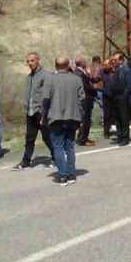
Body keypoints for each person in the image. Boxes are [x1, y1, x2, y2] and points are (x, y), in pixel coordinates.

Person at [42, 56, 85, 186]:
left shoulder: (49, 79)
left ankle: (62, 175)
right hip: (72, 116)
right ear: (68, 66)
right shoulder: (77, 79)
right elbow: (82, 99)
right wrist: (81, 116)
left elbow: (45, 99)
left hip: (56, 117)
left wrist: (44, 116)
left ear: (55, 66)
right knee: (70, 146)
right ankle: (71, 174)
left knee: (58, 147)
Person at [13, 52, 54, 170]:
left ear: (38, 60)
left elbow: (47, 95)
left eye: (32, 60)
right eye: (28, 61)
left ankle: (57, 157)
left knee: (47, 137)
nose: (30, 63)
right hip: (30, 112)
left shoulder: (46, 75)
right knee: (29, 138)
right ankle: (25, 161)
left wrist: (44, 113)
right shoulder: (29, 77)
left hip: (41, 113)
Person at [106, 53, 131, 146]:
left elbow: (130, 84)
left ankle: (125, 138)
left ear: (121, 60)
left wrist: (124, 95)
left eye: (115, 60)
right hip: (115, 97)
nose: (113, 62)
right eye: (113, 60)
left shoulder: (126, 70)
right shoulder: (116, 70)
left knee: (124, 118)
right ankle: (119, 136)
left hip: (123, 97)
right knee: (117, 118)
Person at [74, 57, 97, 147]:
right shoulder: (79, 73)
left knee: (86, 119)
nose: (86, 62)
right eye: (85, 61)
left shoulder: (82, 71)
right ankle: (82, 139)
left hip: (87, 98)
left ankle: (83, 137)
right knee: (85, 119)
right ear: (81, 63)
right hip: (85, 99)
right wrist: (95, 89)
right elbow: (85, 86)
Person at [100, 60, 116, 139]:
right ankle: (106, 132)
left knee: (114, 114)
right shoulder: (102, 73)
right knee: (107, 114)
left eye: (110, 65)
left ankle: (114, 128)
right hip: (106, 96)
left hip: (114, 95)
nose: (109, 66)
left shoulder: (114, 72)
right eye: (107, 65)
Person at [90, 56, 104, 121]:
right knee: (102, 105)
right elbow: (98, 77)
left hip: (91, 89)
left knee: (91, 106)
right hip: (100, 89)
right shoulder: (101, 67)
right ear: (99, 60)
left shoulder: (89, 67)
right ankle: (103, 119)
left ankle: (90, 119)